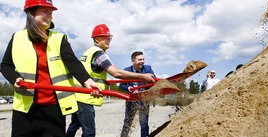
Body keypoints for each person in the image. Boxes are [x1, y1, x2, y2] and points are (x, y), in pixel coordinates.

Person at [0, 0, 102, 137]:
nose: (49, 15)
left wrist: (87, 81)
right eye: (45, 11)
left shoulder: (58, 39)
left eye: (51, 12)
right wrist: (15, 79)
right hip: (24, 111)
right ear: (31, 13)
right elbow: (5, 65)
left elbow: (72, 62)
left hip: (53, 110)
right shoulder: (17, 38)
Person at [66, 24, 155, 137]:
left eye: (109, 37)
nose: (109, 40)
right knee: (89, 132)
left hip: (79, 95)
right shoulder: (98, 53)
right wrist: (142, 77)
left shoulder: (88, 52)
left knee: (74, 125)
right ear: (96, 39)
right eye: (105, 37)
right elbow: (116, 73)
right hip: (85, 98)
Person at [119, 51, 155, 137]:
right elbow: (122, 85)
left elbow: (153, 81)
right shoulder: (126, 71)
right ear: (133, 61)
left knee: (144, 123)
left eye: (143, 59)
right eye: (140, 59)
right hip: (131, 100)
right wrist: (128, 88)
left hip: (144, 100)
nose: (142, 61)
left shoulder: (148, 68)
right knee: (127, 122)